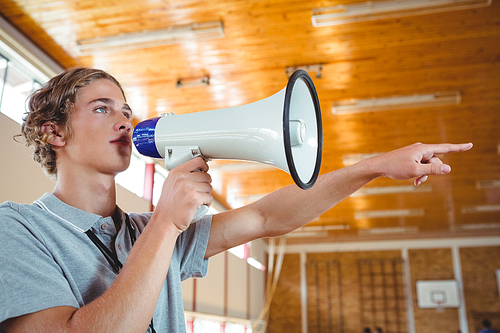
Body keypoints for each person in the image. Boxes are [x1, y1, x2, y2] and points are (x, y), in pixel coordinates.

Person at [0, 67, 473, 333]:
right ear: (54, 131)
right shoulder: (18, 229)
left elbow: (267, 217)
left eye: (127, 110)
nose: (123, 120)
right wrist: (167, 221)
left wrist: (372, 165)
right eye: (102, 108)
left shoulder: (147, 233)